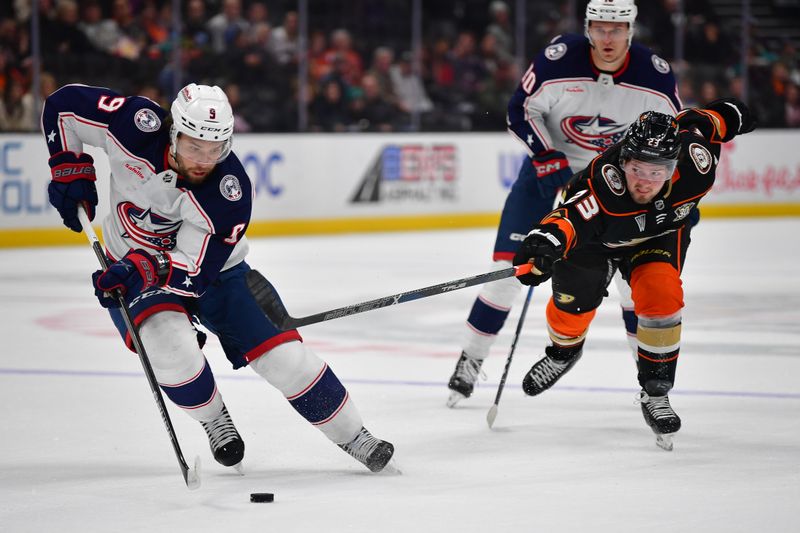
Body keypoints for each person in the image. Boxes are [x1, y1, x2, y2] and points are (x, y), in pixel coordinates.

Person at [42, 83, 395, 473]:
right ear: (173, 131)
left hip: (214, 273)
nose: (204, 160)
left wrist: (142, 269)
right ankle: (214, 419)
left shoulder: (229, 192)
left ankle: (355, 436)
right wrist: (67, 166)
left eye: (216, 149)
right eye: (194, 147)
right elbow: (63, 106)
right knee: (170, 350)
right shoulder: (132, 123)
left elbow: (194, 272)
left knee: (287, 361)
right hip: (130, 263)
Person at [447, 0, 682, 407]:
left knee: (634, 286)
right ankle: (471, 358)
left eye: (617, 28)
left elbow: (672, 137)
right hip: (546, 175)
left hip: (615, 189)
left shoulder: (653, 76)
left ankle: (651, 387)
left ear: (631, 29)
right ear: (588, 27)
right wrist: (545, 155)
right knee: (507, 271)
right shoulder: (558, 60)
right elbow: (519, 110)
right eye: (599, 27)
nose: (608, 38)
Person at [512, 101, 756, 449]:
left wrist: (733, 113)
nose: (645, 182)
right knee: (571, 308)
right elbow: (569, 218)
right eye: (637, 169)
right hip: (593, 239)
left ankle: (656, 391)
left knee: (662, 296)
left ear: (675, 166)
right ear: (623, 159)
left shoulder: (698, 163)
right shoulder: (603, 184)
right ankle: (563, 352)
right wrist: (544, 243)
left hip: (657, 235)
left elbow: (702, 121)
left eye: (657, 172)